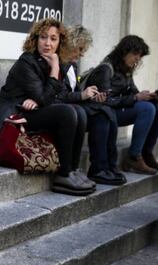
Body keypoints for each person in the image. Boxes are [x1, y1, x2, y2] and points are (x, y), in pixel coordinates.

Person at [0, 18, 94, 196]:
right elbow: (45, 96)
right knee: (67, 112)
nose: (48, 43)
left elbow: (53, 96)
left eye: (53, 39)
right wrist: (54, 70)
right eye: (43, 37)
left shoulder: (51, 61)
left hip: (32, 109)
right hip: (16, 112)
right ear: (35, 39)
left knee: (80, 111)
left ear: (60, 42)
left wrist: (41, 99)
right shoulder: (27, 61)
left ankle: (72, 169)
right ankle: (63, 174)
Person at [57, 25, 126, 185]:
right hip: (62, 109)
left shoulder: (71, 65)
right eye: (80, 49)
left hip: (73, 106)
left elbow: (72, 92)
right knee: (103, 113)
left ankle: (107, 166)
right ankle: (99, 168)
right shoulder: (57, 62)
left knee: (106, 110)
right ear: (70, 43)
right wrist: (83, 95)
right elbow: (57, 95)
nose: (81, 54)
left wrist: (90, 97)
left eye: (83, 50)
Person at [87, 35, 158, 175]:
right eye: (135, 54)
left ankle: (146, 152)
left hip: (119, 110)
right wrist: (136, 98)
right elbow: (105, 101)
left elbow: (133, 93)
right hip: (105, 114)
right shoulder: (106, 69)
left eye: (140, 56)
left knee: (154, 104)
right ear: (124, 52)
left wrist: (147, 96)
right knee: (147, 109)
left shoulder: (127, 70)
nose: (137, 59)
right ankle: (133, 157)